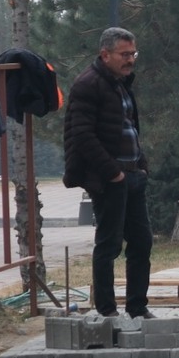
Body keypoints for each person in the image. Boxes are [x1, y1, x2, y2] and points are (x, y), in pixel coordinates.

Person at [62, 27, 153, 329]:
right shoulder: (88, 84)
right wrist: (113, 173)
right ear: (105, 54)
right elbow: (82, 136)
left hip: (133, 175)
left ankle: (138, 308)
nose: (131, 60)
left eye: (133, 53)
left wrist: (141, 165)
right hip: (110, 180)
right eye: (124, 54)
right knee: (109, 244)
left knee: (141, 242)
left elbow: (129, 127)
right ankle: (107, 309)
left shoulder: (121, 84)